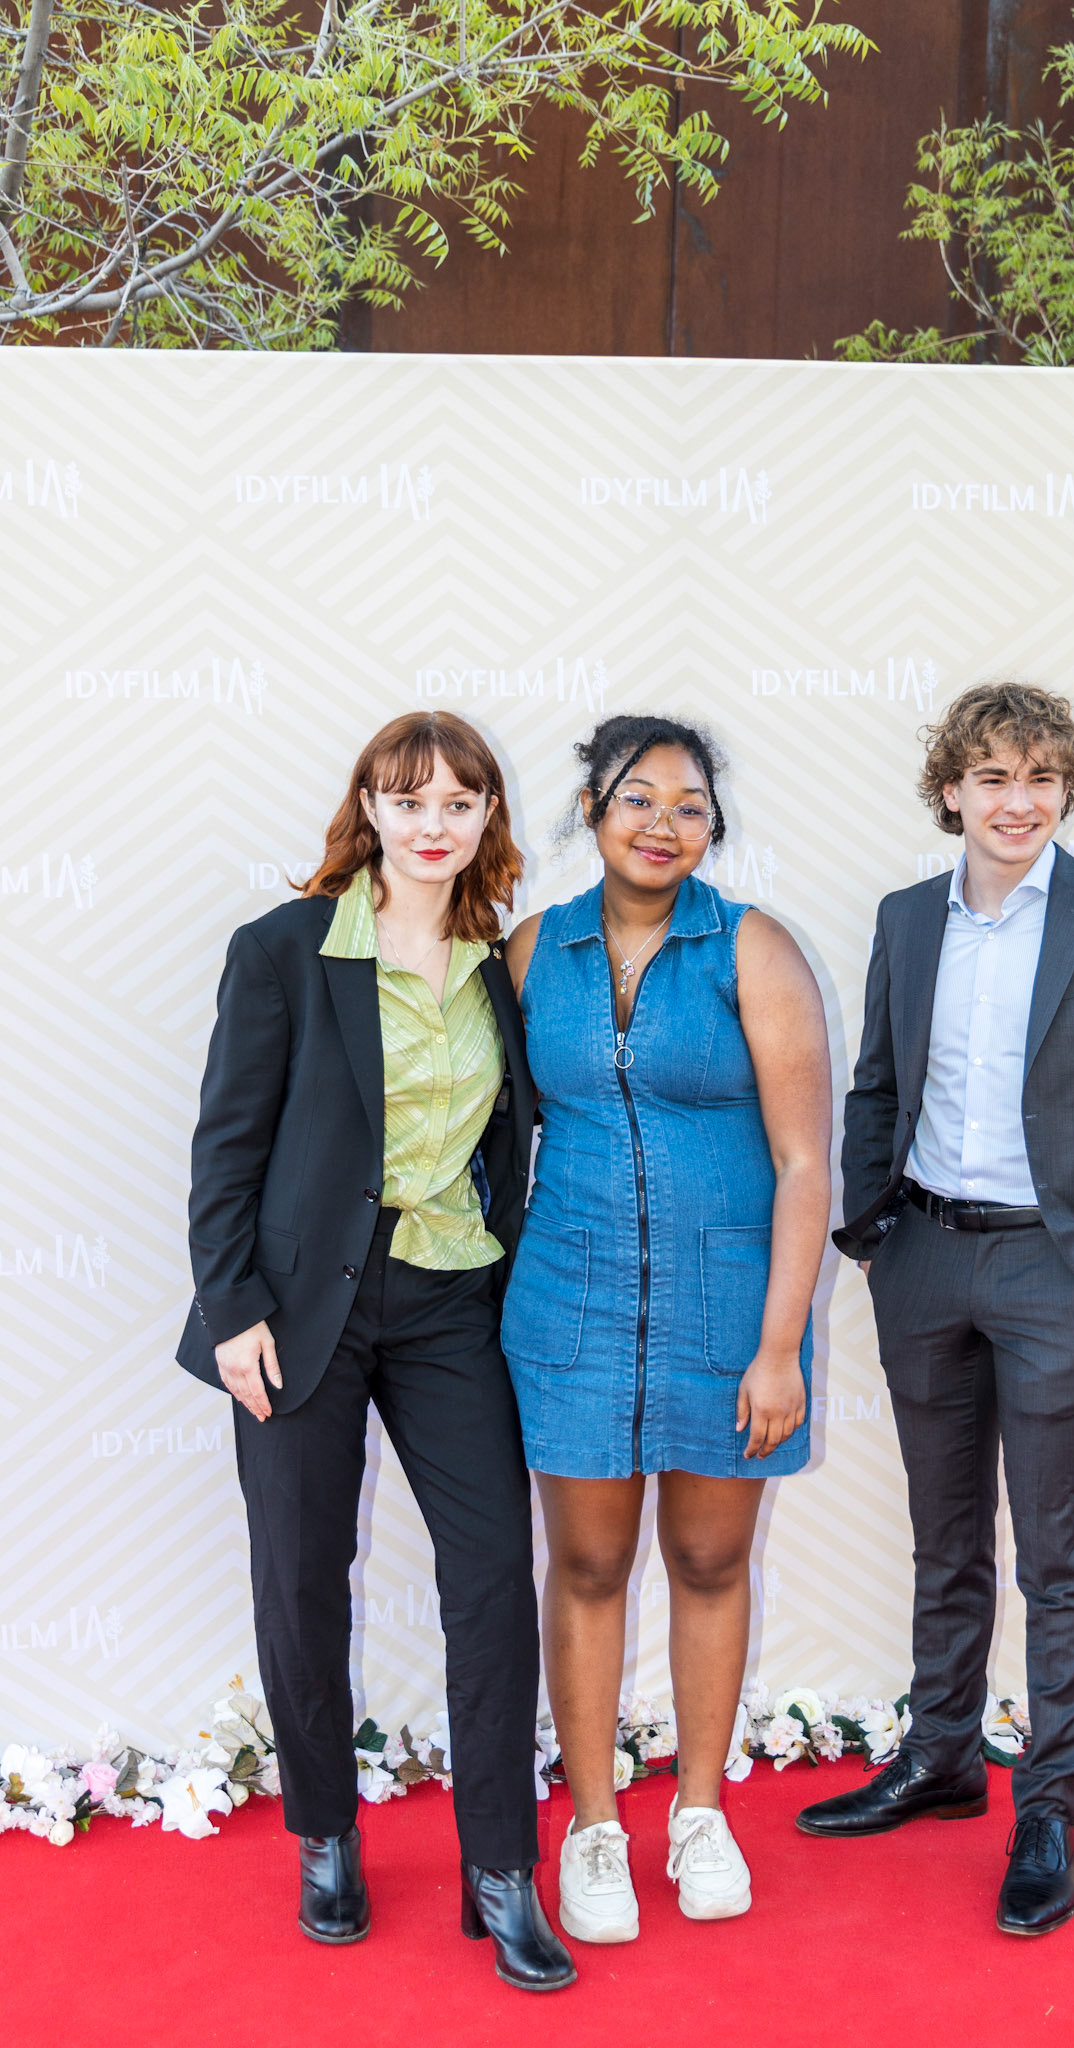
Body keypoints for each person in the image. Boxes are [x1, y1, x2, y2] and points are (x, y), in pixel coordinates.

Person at [175, 711, 574, 1993]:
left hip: (453, 1299)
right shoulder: (286, 949)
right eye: (408, 799)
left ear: (487, 816)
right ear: (370, 808)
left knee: (492, 1580)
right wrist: (232, 1308)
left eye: (459, 801)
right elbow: (226, 1144)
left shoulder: (499, 964)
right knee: (301, 1574)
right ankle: (326, 1833)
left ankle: (500, 1869)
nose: (432, 823)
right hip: (301, 1309)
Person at [796, 681, 1074, 1937]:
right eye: (992, 777)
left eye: (1040, 777)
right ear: (952, 791)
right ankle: (941, 1755)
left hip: (1055, 1269)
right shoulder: (905, 917)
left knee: (1060, 1547)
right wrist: (873, 1232)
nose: (1018, 802)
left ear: (1067, 785)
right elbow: (876, 1086)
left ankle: (1050, 1807)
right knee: (946, 1529)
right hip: (923, 1254)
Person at [501, 714, 832, 1945]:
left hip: (725, 1313)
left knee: (708, 1560)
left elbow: (805, 1163)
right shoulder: (534, 949)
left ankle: (699, 1812)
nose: (663, 822)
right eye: (638, 797)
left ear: (713, 829)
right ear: (593, 810)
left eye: (690, 805)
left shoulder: (755, 948)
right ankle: (593, 1825)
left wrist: (779, 1345)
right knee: (587, 1566)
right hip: (570, 1303)